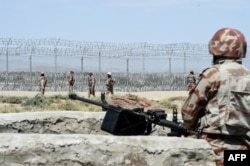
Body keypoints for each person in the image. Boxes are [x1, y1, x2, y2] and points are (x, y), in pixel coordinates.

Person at [181, 28, 250, 166]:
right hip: (243, 149)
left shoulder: (213, 74)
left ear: (215, 49)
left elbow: (188, 114)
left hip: (214, 149)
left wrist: (190, 129)